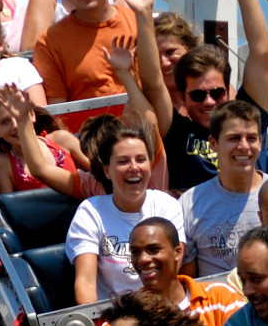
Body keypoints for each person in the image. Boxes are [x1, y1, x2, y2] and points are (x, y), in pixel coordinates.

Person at [149, 0, 268, 192]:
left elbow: (261, 52)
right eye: (197, 95)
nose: (208, 102)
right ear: (183, 97)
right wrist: (142, 17)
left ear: (227, 91)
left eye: (216, 93)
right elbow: (152, 81)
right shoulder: (177, 130)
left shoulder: (245, 117)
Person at [93, 218, 243, 326]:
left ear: (178, 252)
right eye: (135, 252)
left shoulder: (222, 299)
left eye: (153, 249)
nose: (142, 259)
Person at [34, 0, 147, 132]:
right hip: (88, 139)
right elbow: (58, 114)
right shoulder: (50, 42)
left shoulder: (138, 22)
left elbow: (158, 87)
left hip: (143, 131)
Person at [67, 127, 183, 303]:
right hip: (115, 317)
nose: (134, 167)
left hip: (162, 309)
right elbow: (86, 283)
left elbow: (172, 273)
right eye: (123, 161)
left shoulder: (167, 206)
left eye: (141, 159)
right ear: (107, 171)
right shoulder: (90, 212)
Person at [177, 100, 267, 274]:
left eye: (251, 138)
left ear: (261, 142)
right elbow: (187, 279)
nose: (243, 146)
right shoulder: (190, 203)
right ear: (213, 143)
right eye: (233, 138)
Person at [0, 91, 86, 196]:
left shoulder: (62, 139)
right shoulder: (3, 163)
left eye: (19, 116)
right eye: (5, 122)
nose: (15, 125)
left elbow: (100, 170)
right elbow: (6, 207)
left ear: (32, 115)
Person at [153, 10, 197, 83]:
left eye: (170, 52)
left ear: (189, 48)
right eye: (155, 56)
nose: (164, 63)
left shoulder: (211, 91)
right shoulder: (134, 93)